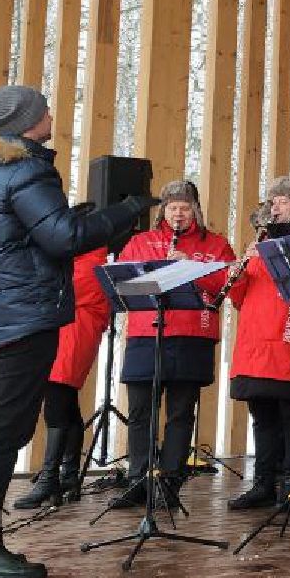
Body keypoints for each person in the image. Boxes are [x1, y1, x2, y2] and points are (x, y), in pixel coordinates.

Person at [0, 85, 153, 578]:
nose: (51, 117)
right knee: (5, 431)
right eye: (44, 112)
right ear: (28, 122)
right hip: (27, 311)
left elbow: (29, 232)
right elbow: (64, 239)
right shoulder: (27, 168)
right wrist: (126, 210)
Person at [107, 180, 236, 509]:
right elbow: (121, 283)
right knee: (139, 411)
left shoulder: (217, 245)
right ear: (163, 211)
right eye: (172, 207)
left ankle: (169, 481)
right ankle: (139, 478)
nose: (178, 213)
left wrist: (188, 268)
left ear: (195, 211)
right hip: (145, 333)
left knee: (180, 413)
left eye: (184, 207)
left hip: (192, 335)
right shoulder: (141, 241)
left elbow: (227, 285)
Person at [226, 177, 290, 509]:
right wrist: (238, 273)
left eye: (283, 201)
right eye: (272, 202)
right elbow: (240, 298)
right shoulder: (260, 243)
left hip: (287, 336)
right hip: (255, 338)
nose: (275, 207)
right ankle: (263, 483)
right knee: (262, 414)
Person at [12, 203, 126, 510]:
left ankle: (51, 479)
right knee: (64, 399)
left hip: (77, 327)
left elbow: (67, 287)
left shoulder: (91, 261)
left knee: (58, 395)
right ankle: (69, 475)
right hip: (64, 326)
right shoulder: (73, 258)